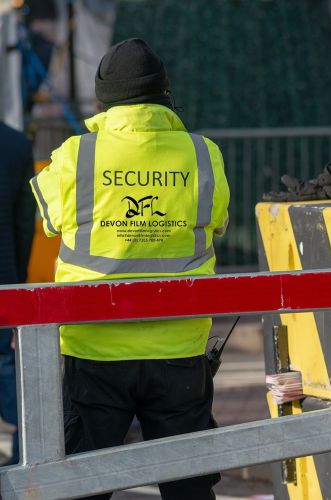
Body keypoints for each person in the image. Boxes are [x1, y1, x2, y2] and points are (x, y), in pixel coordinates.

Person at [30, 38, 230, 499]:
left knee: (83, 485)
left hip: (94, 349)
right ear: (165, 93)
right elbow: (215, 222)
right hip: (180, 346)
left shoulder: (76, 156)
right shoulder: (204, 154)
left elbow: (48, 220)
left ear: (104, 100)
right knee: (189, 487)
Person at [0, 121, 36, 466]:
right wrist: (18, 280)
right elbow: (25, 222)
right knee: (10, 370)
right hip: (4, 281)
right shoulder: (15, 144)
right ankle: (23, 466)